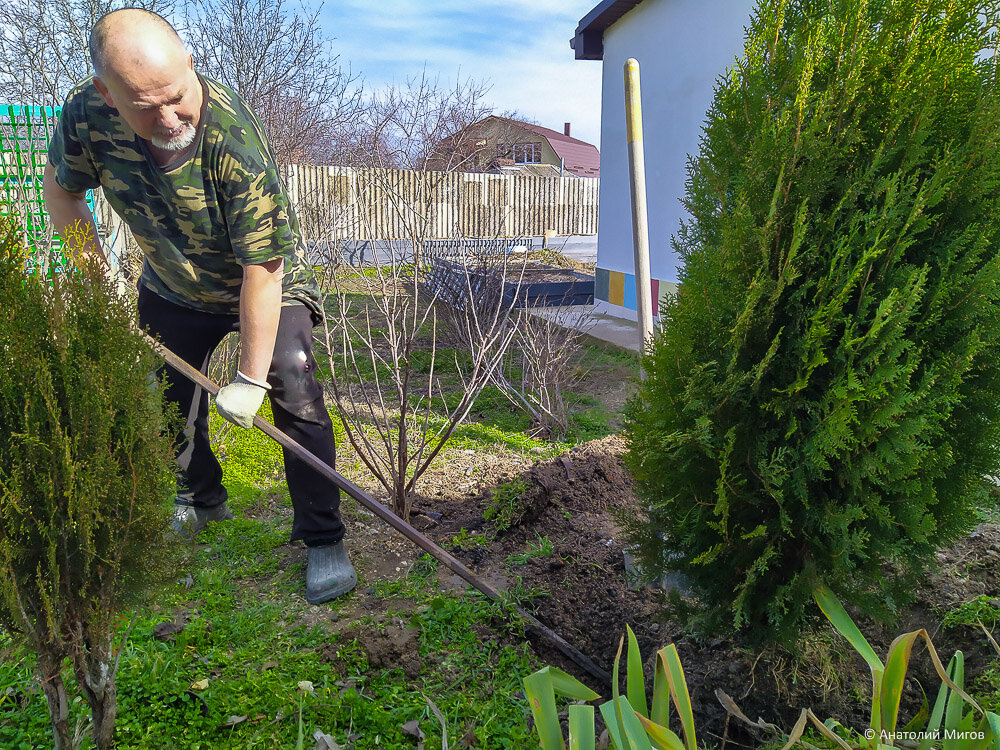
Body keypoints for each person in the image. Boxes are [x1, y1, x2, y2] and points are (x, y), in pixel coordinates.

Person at [42, 8, 356, 604]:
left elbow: (261, 269)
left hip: (262, 281)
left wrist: (248, 379)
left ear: (191, 64)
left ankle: (323, 537)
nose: (167, 118)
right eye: (144, 106)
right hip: (170, 285)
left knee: (291, 377)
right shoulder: (86, 116)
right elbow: (61, 192)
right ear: (108, 95)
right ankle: (202, 500)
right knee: (170, 402)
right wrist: (99, 274)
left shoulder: (230, 136)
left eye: (175, 96)